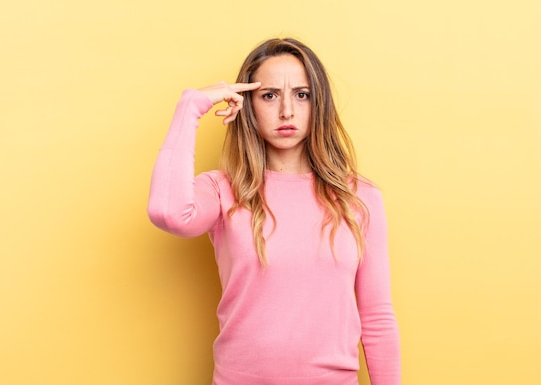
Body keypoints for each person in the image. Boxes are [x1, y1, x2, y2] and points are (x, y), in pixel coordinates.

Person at [148, 38, 401, 385]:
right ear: (248, 105)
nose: (287, 111)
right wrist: (190, 107)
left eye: (302, 94)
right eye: (269, 95)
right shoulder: (223, 190)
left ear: (319, 104)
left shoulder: (359, 198)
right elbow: (168, 213)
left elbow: (377, 317)